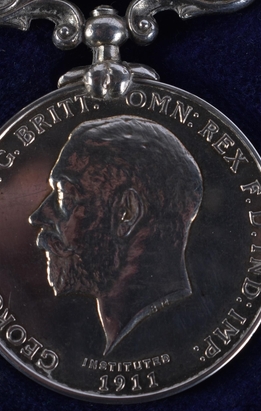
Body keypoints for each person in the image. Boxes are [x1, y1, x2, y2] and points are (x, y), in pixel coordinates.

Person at [29, 115, 202, 355]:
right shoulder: (178, 335)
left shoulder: (168, 340)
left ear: (126, 213)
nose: (37, 216)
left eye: (63, 196)